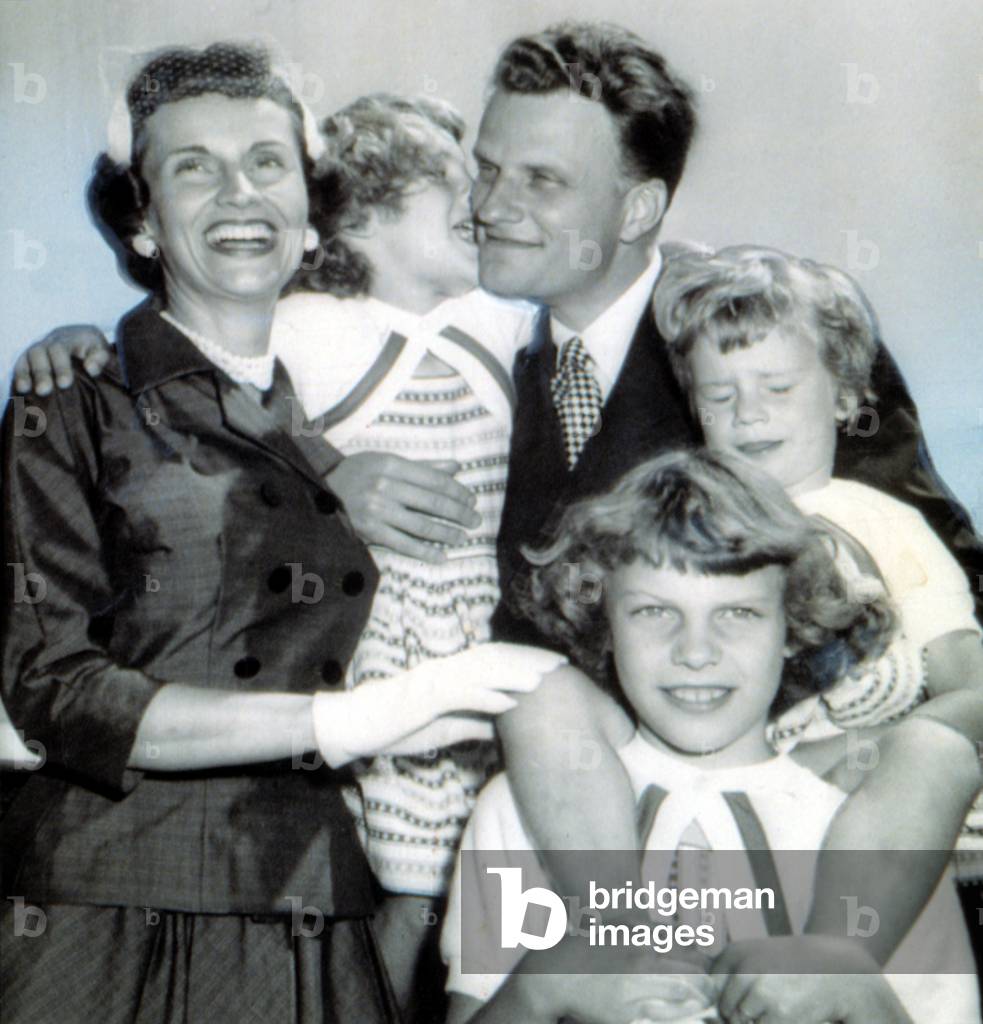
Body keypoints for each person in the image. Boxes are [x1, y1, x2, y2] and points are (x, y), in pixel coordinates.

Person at [0, 42, 561, 1023]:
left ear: (310, 216)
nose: (239, 193)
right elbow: (58, 690)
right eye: (193, 167)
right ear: (141, 221)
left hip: (309, 898)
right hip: (111, 903)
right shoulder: (73, 400)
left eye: (266, 163)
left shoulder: (329, 406)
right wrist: (351, 721)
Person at [440, 450, 978, 1024]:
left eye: (738, 613)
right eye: (654, 611)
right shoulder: (526, 808)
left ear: (792, 625)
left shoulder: (880, 830)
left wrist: (857, 992)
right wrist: (539, 990)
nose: (696, 652)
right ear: (605, 621)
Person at [272, 93, 535, 1018]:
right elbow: (221, 425)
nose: (480, 205)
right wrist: (321, 474)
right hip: (382, 636)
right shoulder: (310, 325)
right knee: (404, 881)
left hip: (480, 628)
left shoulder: (498, 315)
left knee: (468, 874)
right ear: (361, 216)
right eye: (449, 185)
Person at [653, 241, 983, 959]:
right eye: (719, 396)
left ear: (842, 396)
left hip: (874, 801)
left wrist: (873, 748)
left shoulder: (887, 525)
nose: (748, 414)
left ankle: (829, 964)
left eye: (777, 388)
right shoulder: (674, 530)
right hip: (729, 780)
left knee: (935, 752)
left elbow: (972, 690)